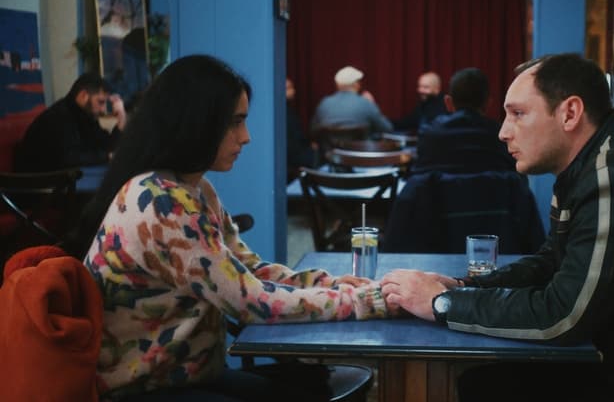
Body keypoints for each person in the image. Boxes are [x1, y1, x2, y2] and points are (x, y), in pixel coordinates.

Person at [380, 53, 614, 401]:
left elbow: (563, 315)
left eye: (518, 114)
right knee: (483, 381)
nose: (503, 132)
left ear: (570, 113)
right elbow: (553, 262)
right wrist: (462, 287)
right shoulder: (592, 163)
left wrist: (441, 303)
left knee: (486, 387)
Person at [67, 55, 393, 401]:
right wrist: (363, 301)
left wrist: (330, 283)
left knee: (308, 388)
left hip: (184, 376)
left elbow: (249, 269)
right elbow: (249, 301)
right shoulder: (161, 202)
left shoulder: (193, 188)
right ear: (196, 122)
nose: (246, 137)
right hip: (141, 389)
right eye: (234, 122)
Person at [14, 72, 127, 172]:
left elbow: (106, 145)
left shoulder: (85, 114)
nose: (103, 109)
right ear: (83, 95)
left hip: (59, 180)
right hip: (38, 184)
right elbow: (70, 158)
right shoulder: (59, 116)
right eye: (100, 102)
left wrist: (121, 119)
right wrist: (107, 156)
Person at [411, 67, 515, 174]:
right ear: (488, 103)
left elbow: (419, 178)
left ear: (448, 102)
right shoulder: (502, 136)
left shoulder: (429, 134)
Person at [309, 65, 393, 136]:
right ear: (356, 84)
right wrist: (372, 104)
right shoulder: (365, 103)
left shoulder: (324, 104)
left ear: (337, 85)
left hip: (330, 151)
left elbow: (313, 131)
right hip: (359, 150)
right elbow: (387, 128)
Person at [286, 77, 316, 177]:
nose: (293, 91)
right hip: (294, 156)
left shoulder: (288, 110)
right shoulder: (286, 113)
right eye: (288, 88)